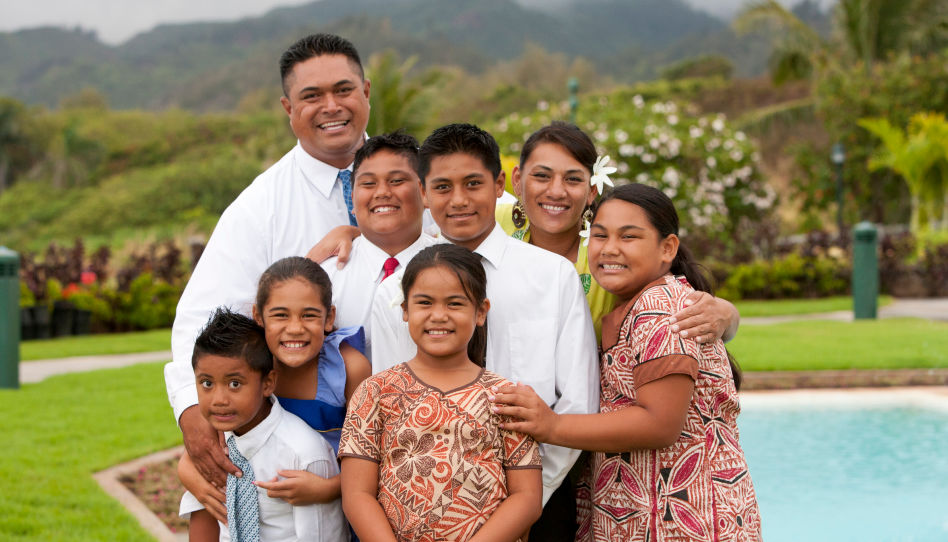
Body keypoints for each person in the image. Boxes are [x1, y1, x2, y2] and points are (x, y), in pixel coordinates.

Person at [492, 183, 762, 541]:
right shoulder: (638, 304)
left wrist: (551, 425)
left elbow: (659, 423)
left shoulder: (659, 309)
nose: (609, 249)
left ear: (667, 248)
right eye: (600, 236)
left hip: (679, 521)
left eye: (629, 237)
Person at [369, 123, 598, 540]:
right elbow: (392, 411)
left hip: (542, 505)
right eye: (442, 187)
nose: (458, 200)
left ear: (498, 186)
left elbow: (577, 401)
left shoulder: (553, 277)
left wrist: (523, 505)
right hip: (427, 510)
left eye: (473, 184)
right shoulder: (393, 292)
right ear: (422, 193)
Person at [166, 33, 372, 492]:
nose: (331, 106)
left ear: (366, 93)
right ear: (288, 108)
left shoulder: (413, 177)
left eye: (343, 90)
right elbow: (201, 319)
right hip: (304, 434)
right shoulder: (259, 206)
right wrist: (191, 414)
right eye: (311, 96)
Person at [339, 244, 543, 542]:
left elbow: (526, 498)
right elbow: (357, 494)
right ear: (405, 310)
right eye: (424, 303)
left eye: (455, 304)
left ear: (481, 312)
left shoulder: (505, 397)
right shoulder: (375, 392)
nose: (438, 315)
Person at [180, 257, 371, 539]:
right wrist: (186, 468)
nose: (294, 328)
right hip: (270, 488)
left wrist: (327, 488)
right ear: (259, 316)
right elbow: (217, 431)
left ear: (328, 318)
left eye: (308, 315)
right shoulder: (250, 365)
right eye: (281, 315)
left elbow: (374, 453)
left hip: (339, 493)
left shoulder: (347, 367)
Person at [497, 121, 740, 342]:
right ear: (517, 180)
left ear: (592, 189)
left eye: (572, 179)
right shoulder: (492, 225)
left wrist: (725, 314)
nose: (556, 191)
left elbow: (676, 300)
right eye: (541, 176)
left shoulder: (606, 252)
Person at [185, 308, 347, 542]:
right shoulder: (211, 447)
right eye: (207, 383)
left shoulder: (303, 454)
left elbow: (323, 536)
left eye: (234, 384)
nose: (219, 399)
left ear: (268, 383)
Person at [321, 131, 439, 339]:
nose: (382, 192)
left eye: (396, 181)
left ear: (424, 191)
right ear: (352, 199)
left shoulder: (453, 267)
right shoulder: (328, 279)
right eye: (368, 184)